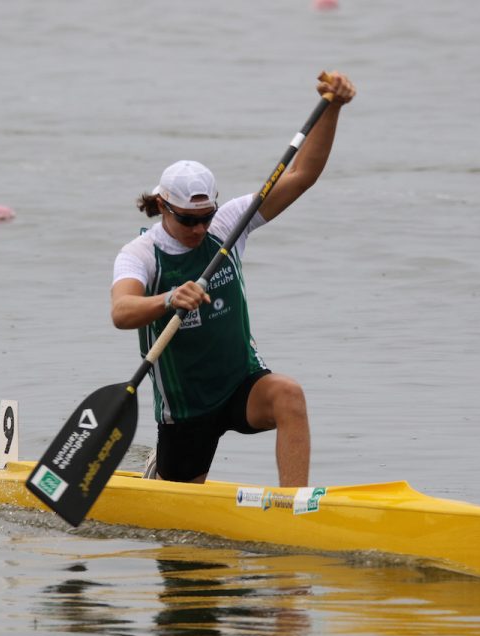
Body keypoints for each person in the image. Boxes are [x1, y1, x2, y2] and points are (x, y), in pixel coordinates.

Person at [110, 72, 356, 486]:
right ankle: (159, 472)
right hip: (186, 407)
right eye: (188, 219)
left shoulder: (230, 225)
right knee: (181, 513)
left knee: (289, 395)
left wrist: (332, 107)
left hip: (241, 383)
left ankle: (294, 508)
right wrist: (169, 298)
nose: (200, 228)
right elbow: (122, 311)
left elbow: (301, 176)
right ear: (162, 206)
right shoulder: (140, 254)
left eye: (206, 217)